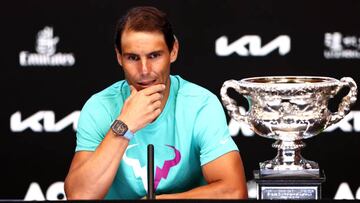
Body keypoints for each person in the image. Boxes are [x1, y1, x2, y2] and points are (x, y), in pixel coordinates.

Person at [64, 6, 248, 200]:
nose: (144, 70)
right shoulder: (99, 107)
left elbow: (234, 192)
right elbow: (79, 195)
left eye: (154, 56)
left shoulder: (201, 105)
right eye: (133, 57)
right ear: (119, 57)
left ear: (173, 50)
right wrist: (125, 125)